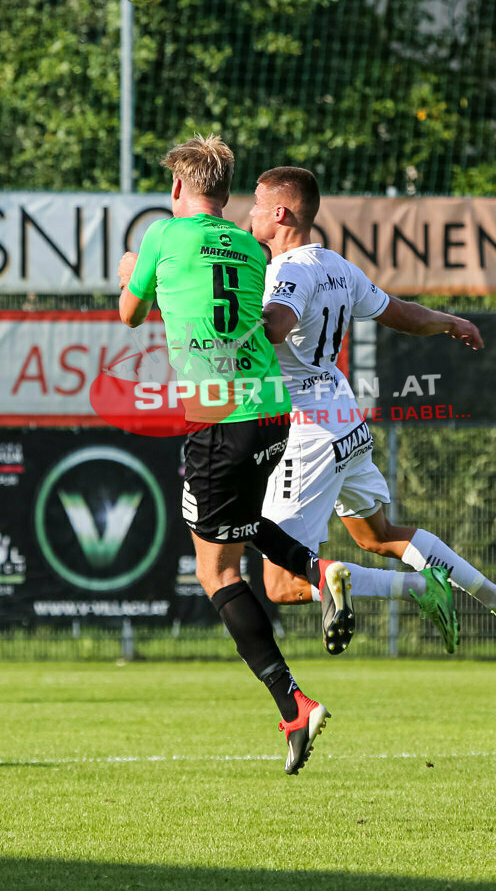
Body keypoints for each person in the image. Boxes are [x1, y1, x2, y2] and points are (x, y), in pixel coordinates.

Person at [117, 135, 357, 775]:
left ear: (176, 190)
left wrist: (129, 273)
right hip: (274, 412)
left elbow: (129, 314)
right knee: (244, 532)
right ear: (226, 195)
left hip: (220, 417)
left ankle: (293, 703)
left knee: (215, 571)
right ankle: (316, 566)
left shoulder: (163, 238)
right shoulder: (253, 246)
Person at [248, 166, 496, 649]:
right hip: (344, 417)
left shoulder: (288, 270)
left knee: (281, 582)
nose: (249, 213)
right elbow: (399, 313)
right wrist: (449, 322)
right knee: (378, 535)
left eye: (255, 204)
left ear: (280, 213)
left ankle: (418, 587)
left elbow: (276, 326)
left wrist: (225, 304)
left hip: (306, 430)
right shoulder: (337, 266)